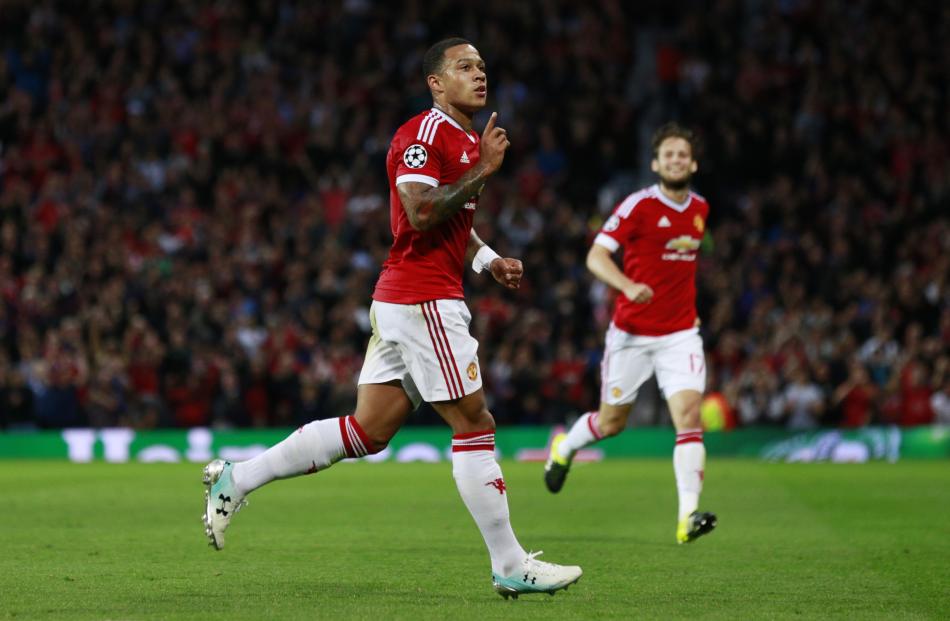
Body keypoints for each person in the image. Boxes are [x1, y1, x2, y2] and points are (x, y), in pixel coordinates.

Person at [202, 38, 582, 599]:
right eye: (464, 67)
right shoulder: (422, 136)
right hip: (423, 299)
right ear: (436, 82)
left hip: (411, 297)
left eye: (482, 67)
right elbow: (421, 211)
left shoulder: (464, 138)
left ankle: (238, 477)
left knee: (368, 431)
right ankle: (510, 564)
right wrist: (484, 169)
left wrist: (486, 258)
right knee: (475, 424)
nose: (479, 75)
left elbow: (452, 220)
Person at [543, 122, 717, 544]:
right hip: (632, 334)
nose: (675, 160)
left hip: (679, 335)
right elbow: (596, 256)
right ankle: (565, 447)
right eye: (668, 155)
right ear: (656, 163)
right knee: (612, 422)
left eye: (682, 154)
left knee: (689, 418)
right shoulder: (637, 205)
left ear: (692, 163)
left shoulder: (701, 209)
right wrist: (626, 286)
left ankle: (687, 517)